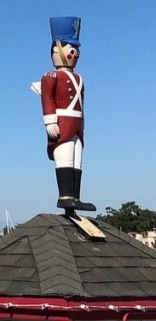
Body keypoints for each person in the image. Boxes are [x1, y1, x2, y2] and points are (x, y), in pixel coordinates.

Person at [40, 16, 94, 212]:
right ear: (57, 49)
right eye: (72, 50)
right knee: (65, 158)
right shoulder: (51, 76)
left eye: (76, 50)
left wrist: (83, 124)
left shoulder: (79, 78)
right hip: (62, 122)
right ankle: (65, 196)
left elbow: (81, 104)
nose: (75, 54)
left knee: (77, 159)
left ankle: (75, 196)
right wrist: (50, 121)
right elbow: (46, 98)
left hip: (77, 125)